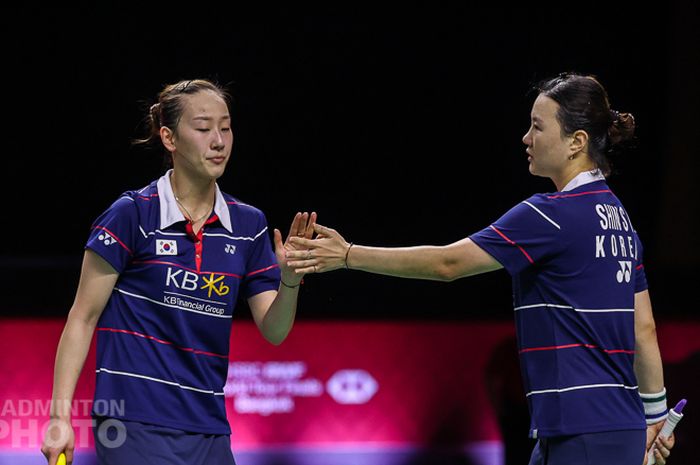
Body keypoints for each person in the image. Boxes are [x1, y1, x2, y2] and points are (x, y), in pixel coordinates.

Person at [285, 73, 676, 465]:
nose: (526, 138)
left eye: (538, 127)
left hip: (582, 435)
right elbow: (643, 328)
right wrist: (655, 415)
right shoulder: (621, 220)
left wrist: (348, 254)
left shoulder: (550, 216)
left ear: (577, 142)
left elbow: (447, 263)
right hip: (607, 429)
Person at [40, 79, 316, 465]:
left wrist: (289, 281)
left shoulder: (249, 224)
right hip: (132, 421)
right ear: (169, 138)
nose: (218, 141)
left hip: (210, 428)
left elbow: (274, 330)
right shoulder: (132, 214)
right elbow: (82, 318)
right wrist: (59, 418)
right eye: (203, 128)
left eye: (226, 126)